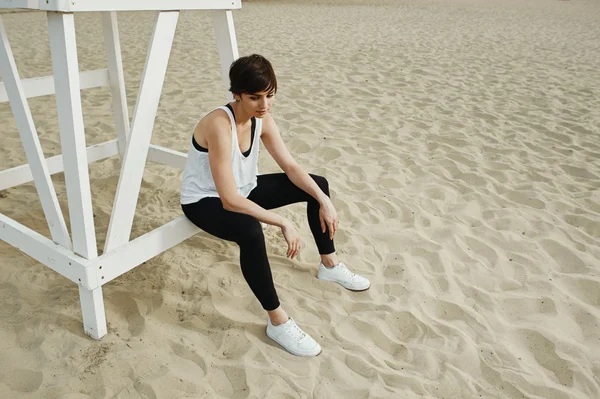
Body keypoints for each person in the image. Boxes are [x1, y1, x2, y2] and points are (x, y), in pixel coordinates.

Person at [180, 54, 370, 357]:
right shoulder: (219, 124)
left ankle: (330, 265)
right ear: (236, 94)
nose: (264, 104)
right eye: (255, 97)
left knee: (316, 184)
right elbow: (228, 200)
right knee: (251, 231)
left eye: (269, 95)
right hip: (205, 200)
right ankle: (278, 322)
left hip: (245, 190)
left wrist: (324, 201)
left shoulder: (262, 119)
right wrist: (281, 221)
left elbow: (292, 167)